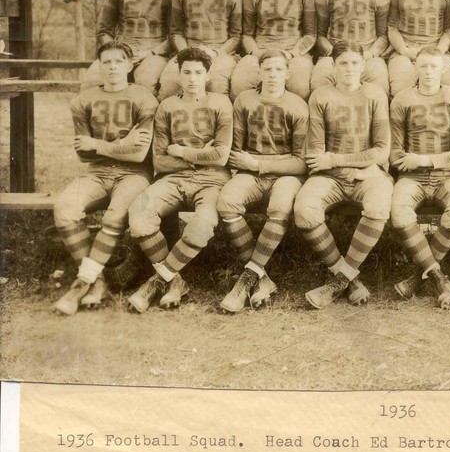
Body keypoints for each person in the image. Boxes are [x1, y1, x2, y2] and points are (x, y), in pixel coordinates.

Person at [53, 41, 158, 315]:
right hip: (96, 173)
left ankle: (80, 284)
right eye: (107, 62)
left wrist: (98, 145)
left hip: (134, 174)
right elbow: (84, 156)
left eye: (118, 61)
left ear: (130, 64)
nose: (112, 67)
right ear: (99, 65)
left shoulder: (144, 98)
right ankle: (97, 281)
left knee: (114, 216)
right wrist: (124, 142)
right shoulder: (83, 100)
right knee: (65, 208)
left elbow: (138, 155)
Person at [127, 47, 233, 313]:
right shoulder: (168, 106)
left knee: (202, 224)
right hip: (172, 178)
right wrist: (201, 155)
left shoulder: (221, 104)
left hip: (212, 180)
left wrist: (183, 151)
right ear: (179, 74)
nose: (192, 78)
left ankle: (156, 280)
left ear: (208, 76)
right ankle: (176, 281)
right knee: (139, 217)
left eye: (198, 72)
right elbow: (161, 160)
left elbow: (220, 157)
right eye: (187, 72)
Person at [293, 40, 394, 309]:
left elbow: (382, 151)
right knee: (305, 209)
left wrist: (337, 160)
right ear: (334, 67)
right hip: (332, 176)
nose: (349, 69)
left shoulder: (375, 95)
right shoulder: (321, 96)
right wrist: (348, 166)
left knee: (379, 205)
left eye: (354, 63)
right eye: (343, 63)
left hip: (368, 175)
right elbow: (315, 153)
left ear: (363, 66)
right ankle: (350, 278)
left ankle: (340, 281)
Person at [217, 50, 308, 313]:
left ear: (287, 74)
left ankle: (246, 279)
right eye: (268, 69)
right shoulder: (245, 100)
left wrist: (259, 164)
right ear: (259, 73)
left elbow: (301, 162)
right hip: (250, 172)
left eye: (279, 70)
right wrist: (250, 165)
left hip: (285, 174)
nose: (273, 75)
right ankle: (262, 278)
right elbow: (236, 153)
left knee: (280, 206)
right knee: (228, 202)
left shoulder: (297, 105)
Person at [389, 47, 450, 309]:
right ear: (415, 68)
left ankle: (418, 277)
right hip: (413, 177)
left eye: (434, 66)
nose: (428, 72)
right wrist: (413, 164)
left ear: (443, 69)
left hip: (448, 175)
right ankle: (437, 277)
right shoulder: (402, 99)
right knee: (400, 214)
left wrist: (425, 159)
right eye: (423, 66)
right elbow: (395, 153)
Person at [231, 0, 317, 101]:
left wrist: (293, 53)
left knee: (300, 87)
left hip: (293, 50)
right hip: (261, 48)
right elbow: (247, 34)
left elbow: (310, 34)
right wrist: (256, 52)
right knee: (239, 84)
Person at [83, 0, 173, 95]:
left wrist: (150, 53)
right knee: (92, 80)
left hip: (153, 51)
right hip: (122, 50)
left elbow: (175, 34)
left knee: (145, 81)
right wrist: (116, 52)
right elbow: (104, 31)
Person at [158, 0, 242, 100]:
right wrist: (186, 52)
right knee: (169, 85)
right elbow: (176, 31)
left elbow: (236, 36)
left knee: (217, 86)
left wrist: (216, 53)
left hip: (220, 51)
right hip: (188, 48)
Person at [312, 0, 390, 93]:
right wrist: (332, 52)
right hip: (335, 53)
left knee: (380, 86)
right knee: (319, 82)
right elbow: (320, 34)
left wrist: (371, 53)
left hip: (367, 53)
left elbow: (383, 35)